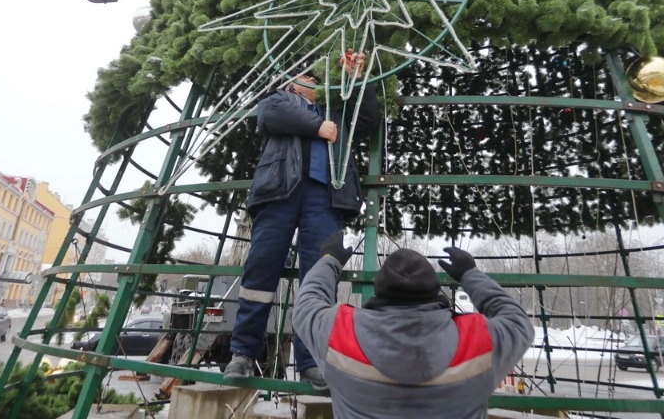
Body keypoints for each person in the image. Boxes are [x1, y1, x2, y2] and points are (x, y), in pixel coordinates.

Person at [224, 51, 380, 390]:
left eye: (317, 78)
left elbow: (368, 120)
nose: (315, 82)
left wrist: (355, 76)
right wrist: (317, 127)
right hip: (279, 192)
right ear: (291, 85)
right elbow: (270, 115)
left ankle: (311, 361)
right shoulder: (278, 99)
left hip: (325, 198)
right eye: (309, 78)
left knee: (319, 276)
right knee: (261, 268)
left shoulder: (334, 111)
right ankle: (243, 354)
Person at [294, 237, 534, 418]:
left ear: (379, 291)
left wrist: (330, 260)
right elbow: (517, 320)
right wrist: (470, 274)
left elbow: (307, 303)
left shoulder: (339, 334)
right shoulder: (478, 341)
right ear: (434, 292)